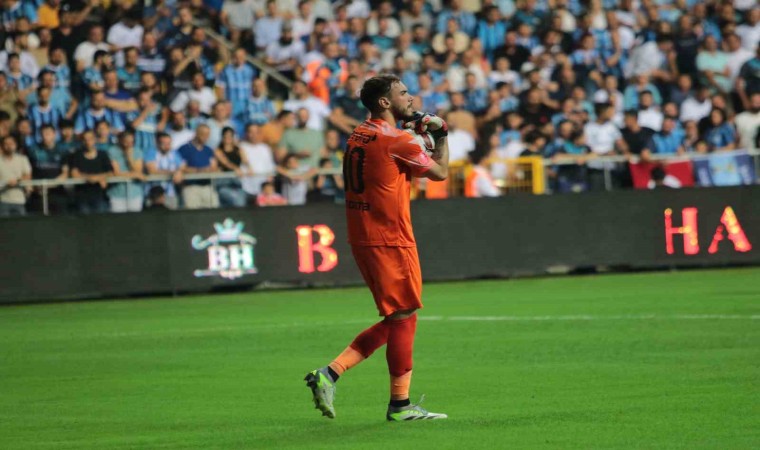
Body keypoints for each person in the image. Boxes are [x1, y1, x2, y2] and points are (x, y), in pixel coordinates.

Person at [304, 74, 449, 421]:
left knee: (400, 317)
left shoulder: (360, 133)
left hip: (364, 235)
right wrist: (441, 135)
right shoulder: (397, 140)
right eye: (403, 93)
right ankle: (396, 404)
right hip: (390, 237)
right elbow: (440, 172)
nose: (411, 98)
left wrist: (416, 135)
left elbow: (392, 157)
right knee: (403, 318)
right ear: (384, 102)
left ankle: (333, 375)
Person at [176, 124, 219, 209]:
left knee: (214, 210)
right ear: (197, 133)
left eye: (208, 135)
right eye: (203, 134)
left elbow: (214, 167)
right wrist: (200, 170)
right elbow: (181, 168)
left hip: (207, 186)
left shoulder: (208, 150)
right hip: (191, 187)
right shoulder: (184, 149)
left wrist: (211, 169)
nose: (206, 137)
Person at [69, 130, 112, 214]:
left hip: (100, 196)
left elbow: (110, 172)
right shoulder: (77, 155)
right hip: (82, 197)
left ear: (95, 140)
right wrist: (89, 178)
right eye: (85, 139)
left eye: (90, 139)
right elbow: (74, 173)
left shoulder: (103, 155)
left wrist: (98, 178)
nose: (88, 142)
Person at [108, 130, 145, 213]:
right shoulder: (112, 151)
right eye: (126, 142)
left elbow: (138, 171)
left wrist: (129, 158)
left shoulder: (137, 151)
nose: (129, 144)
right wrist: (134, 175)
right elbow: (117, 173)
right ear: (120, 140)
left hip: (135, 192)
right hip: (117, 193)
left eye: (131, 142)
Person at [0, 135, 32, 216]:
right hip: (3, 200)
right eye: (6, 144)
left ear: (15, 145)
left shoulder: (23, 159)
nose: (9, 146)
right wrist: (6, 183)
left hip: (19, 199)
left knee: (21, 223)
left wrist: (17, 181)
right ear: (2, 146)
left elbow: (27, 175)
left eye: (11, 143)